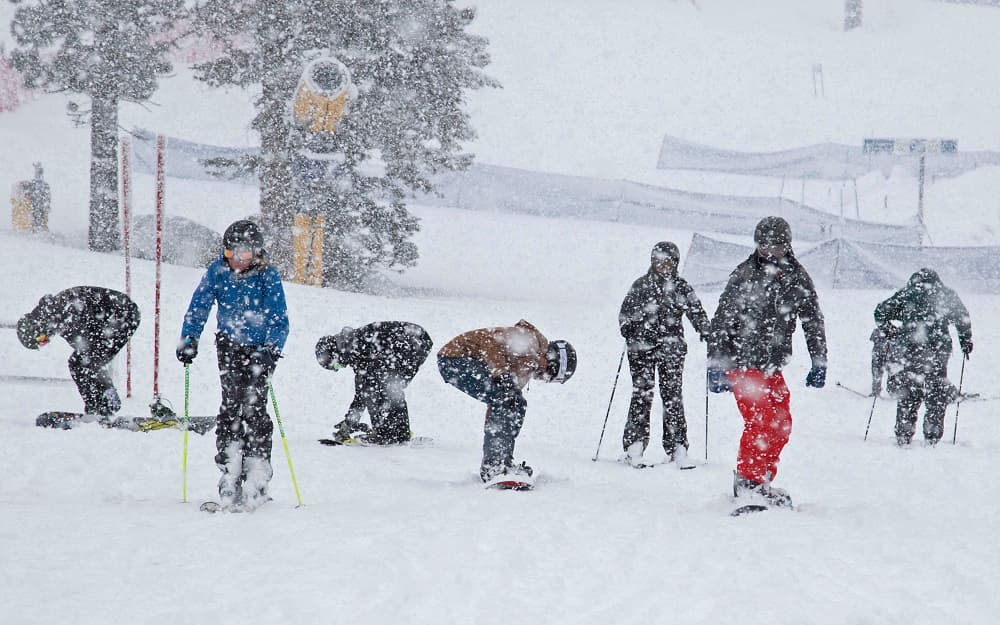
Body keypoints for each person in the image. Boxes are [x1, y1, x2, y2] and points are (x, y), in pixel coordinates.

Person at [707, 216, 827, 507]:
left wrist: (819, 359)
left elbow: (812, 320)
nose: (770, 251)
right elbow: (721, 321)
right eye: (764, 245)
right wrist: (716, 365)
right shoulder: (745, 274)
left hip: (770, 364)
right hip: (742, 360)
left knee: (781, 422)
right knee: (760, 420)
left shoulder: (797, 277)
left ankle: (762, 479)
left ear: (787, 245)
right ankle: (748, 482)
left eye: (776, 245)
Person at [176, 220, 289, 512]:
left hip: (260, 351)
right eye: (232, 253)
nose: (239, 259)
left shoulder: (268, 276)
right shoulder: (217, 272)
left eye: (245, 253)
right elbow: (199, 305)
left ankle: (258, 472)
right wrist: (189, 338)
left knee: (254, 407)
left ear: (257, 253)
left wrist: (271, 350)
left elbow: (279, 319)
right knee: (230, 406)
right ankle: (230, 469)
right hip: (228, 346)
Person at [437, 320, 577, 484]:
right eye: (548, 373)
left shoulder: (527, 368)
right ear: (552, 359)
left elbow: (501, 408)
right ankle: (494, 465)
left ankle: (502, 461)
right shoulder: (530, 341)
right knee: (507, 398)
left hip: (467, 364)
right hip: (456, 359)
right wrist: (501, 372)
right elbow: (491, 343)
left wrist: (492, 428)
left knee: (516, 403)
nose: (543, 378)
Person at [618, 241, 711, 468]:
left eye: (667, 262)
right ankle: (635, 446)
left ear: (675, 263)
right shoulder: (641, 285)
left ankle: (678, 447)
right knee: (642, 394)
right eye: (658, 262)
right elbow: (625, 313)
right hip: (641, 348)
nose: (662, 267)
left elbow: (696, 311)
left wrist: (706, 329)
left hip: (672, 349)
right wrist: (626, 326)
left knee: (672, 397)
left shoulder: (681, 287)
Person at [874, 268, 972, 447]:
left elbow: (880, 312)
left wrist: (890, 331)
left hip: (911, 349)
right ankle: (932, 434)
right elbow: (962, 317)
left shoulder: (907, 294)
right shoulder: (946, 294)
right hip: (939, 350)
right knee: (936, 387)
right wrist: (965, 340)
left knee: (909, 389)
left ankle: (904, 432)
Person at [17, 286, 139, 417]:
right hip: (112, 318)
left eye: (42, 339)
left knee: (83, 361)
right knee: (83, 361)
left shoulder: (59, 313)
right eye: (42, 343)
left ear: (38, 326)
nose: (46, 341)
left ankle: (105, 403)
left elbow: (84, 341)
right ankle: (99, 404)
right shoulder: (53, 313)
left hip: (121, 316)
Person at [315, 321, 433, 445]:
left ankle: (388, 433)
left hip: (413, 342)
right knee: (382, 385)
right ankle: (396, 432)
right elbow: (362, 392)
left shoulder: (356, 347)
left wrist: (349, 424)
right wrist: (349, 423)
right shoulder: (353, 345)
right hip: (413, 341)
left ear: (335, 353)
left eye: (336, 364)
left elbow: (364, 391)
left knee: (384, 385)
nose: (341, 367)